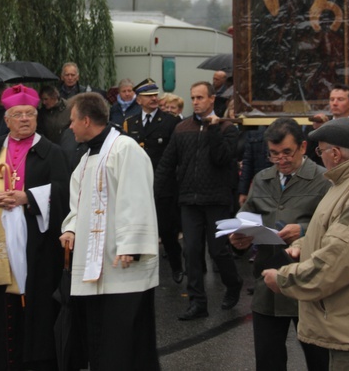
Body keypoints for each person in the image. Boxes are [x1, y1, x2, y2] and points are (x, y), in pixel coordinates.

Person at [262, 118, 349, 369]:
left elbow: (339, 258)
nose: (320, 156)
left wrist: (284, 279)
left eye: (321, 150)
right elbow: (337, 234)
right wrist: (304, 245)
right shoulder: (348, 179)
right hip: (346, 320)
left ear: (335, 153)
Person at [0, 84, 70, 369]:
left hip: (35, 246)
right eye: (18, 114)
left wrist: (29, 197)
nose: (24, 119)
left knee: (34, 302)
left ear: (37, 118)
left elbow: (64, 192)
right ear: (6, 119)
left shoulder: (52, 152)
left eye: (30, 114)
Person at [60, 92, 160, 371]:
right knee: (100, 337)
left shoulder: (125, 149)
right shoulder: (87, 157)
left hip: (123, 263)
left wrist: (132, 244)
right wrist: (70, 228)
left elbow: (136, 196)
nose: (70, 127)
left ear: (87, 120)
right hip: (97, 265)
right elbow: (78, 200)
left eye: (73, 120)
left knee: (127, 338)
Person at [229, 119, 330, 371]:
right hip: (268, 282)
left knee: (320, 360)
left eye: (287, 152)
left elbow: (338, 229)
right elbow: (245, 216)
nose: (281, 160)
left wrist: (303, 231)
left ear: (303, 147)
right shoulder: (262, 178)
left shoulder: (324, 180)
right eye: (274, 154)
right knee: (268, 359)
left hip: (308, 283)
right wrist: (239, 239)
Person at [155, 81, 243, 320]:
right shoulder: (182, 128)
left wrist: (214, 129)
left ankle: (233, 284)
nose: (195, 102)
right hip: (189, 199)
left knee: (218, 251)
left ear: (212, 99)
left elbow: (222, 159)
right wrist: (156, 190)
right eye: (193, 98)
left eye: (200, 98)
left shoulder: (227, 129)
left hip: (216, 198)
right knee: (191, 251)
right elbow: (167, 162)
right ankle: (197, 302)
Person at [123, 78, 183, 283]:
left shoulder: (170, 121)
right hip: (138, 183)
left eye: (155, 95)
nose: (153, 99)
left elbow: (174, 155)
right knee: (139, 225)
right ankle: (138, 265)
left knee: (167, 229)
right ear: (138, 100)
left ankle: (177, 266)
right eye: (148, 96)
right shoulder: (130, 122)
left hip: (163, 183)